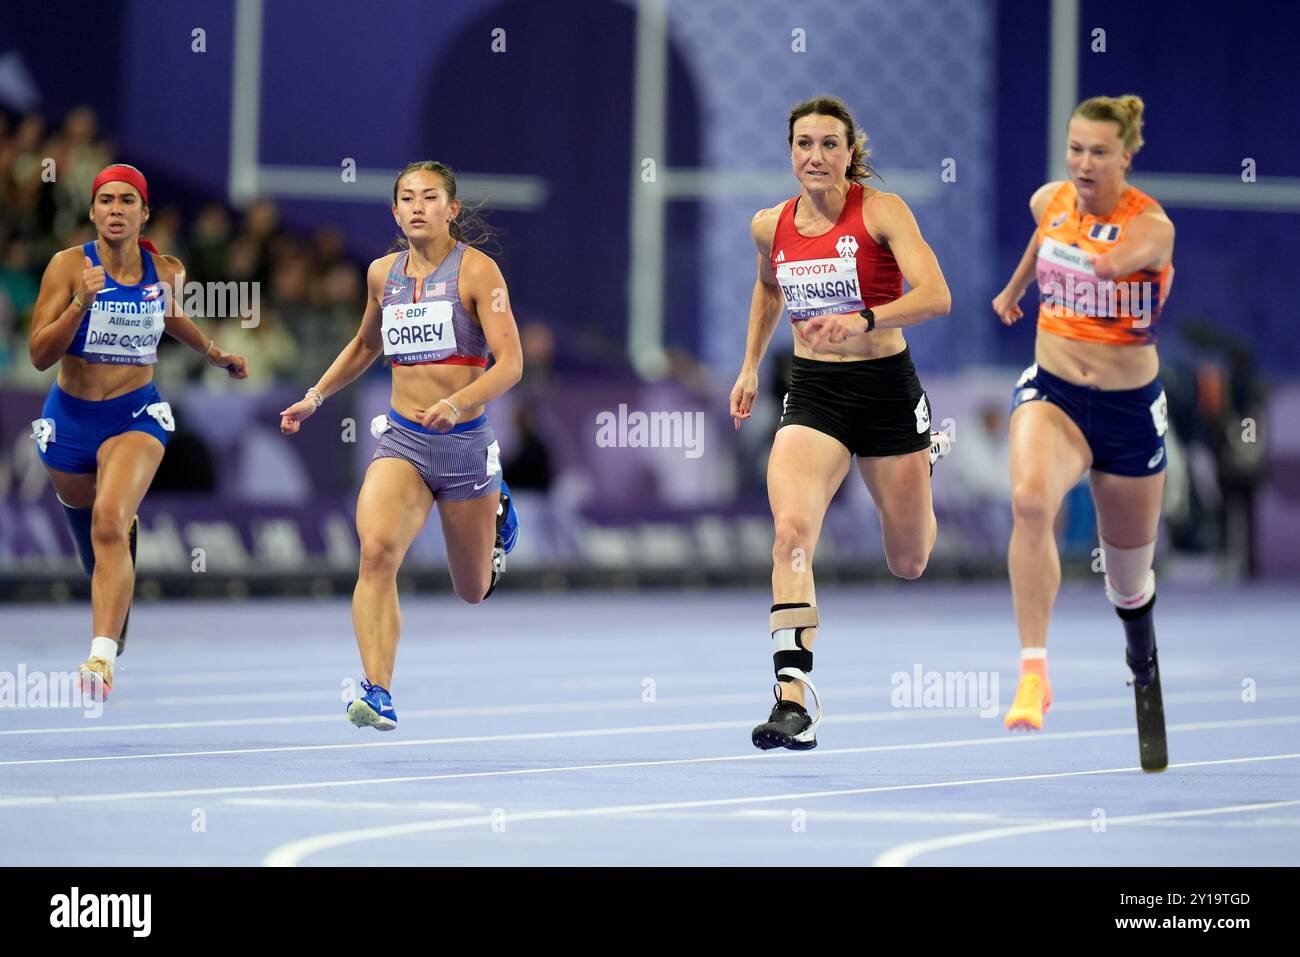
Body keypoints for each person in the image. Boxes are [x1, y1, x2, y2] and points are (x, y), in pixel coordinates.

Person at [730, 96, 952, 751]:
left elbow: (937, 295)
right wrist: (748, 366)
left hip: (886, 389)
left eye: (830, 144)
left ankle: (924, 453)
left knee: (908, 559)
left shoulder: (882, 212)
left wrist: (865, 318)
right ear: (790, 151)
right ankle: (792, 698)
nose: (816, 156)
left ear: (850, 152)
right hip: (816, 393)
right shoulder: (770, 226)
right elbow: (769, 290)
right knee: (791, 533)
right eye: (804, 144)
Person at [280, 161, 523, 732]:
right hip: (404, 441)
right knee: (376, 551)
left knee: (472, 591)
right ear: (395, 212)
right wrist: (315, 396)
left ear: (452, 209)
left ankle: (497, 502)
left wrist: (458, 404)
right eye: (407, 198)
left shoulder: (479, 272)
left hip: (464, 443)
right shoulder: (380, 274)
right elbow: (365, 345)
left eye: (430, 197)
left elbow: (511, 363)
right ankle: (378, 689)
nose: (418, 206)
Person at [991, 95, 1175, 770]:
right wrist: (1014, 291)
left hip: (1128, 413)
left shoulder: (1152, 225)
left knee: (1129, 581)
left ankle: (1141, 657)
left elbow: (1126, 256)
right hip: (1056, 392)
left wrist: (1105, 261)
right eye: (1076, 149)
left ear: (1128, 155)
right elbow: (1045, 235)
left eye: (1100, 152)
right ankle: (1034, 670)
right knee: (1031, 501)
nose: (1084, 163)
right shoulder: (1052, 200)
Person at [28, 163, 249, 697]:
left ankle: (100, 659)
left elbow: (172, 316)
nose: (116, 210)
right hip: (70, 420)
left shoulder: (166, 269)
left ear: (144, 212)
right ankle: (115, 551)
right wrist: (82, 301)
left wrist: (215, 353)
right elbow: (39, 355)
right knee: (93, 540)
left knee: (109, 518)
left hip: (136, 415)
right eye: (106, 201)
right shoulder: (65, 267)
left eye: (128, 201)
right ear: (92, 211)